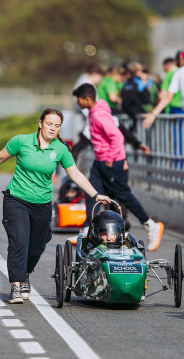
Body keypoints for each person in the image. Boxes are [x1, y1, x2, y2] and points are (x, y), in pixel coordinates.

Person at [0, 108, 111, 304]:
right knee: (19, 241)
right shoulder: (21, 141)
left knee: (37, 246)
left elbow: (75, 174)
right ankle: (16, 286)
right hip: (16, 199)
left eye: (57, 125)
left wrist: (95, 194)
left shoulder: (61, 149)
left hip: (42, 204)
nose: (52, 128)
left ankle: (25, 274)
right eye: (49, 124)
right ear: (40, 123)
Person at [73, 84, 164, 252]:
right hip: (99, 160)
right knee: (92, 191)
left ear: (87, 99)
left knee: (123, 194)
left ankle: (150, 224)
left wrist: (110, 159)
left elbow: (117, 137)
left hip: (110, 161)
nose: (77, 103)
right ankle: (87, 230)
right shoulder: (95, 112)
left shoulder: (99, 115)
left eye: (78, 99)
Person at [143, 50, 184, 155]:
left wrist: (153, 113)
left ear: (181, 60)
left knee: (180, 145)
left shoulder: (178, 72)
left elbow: (167, 96)